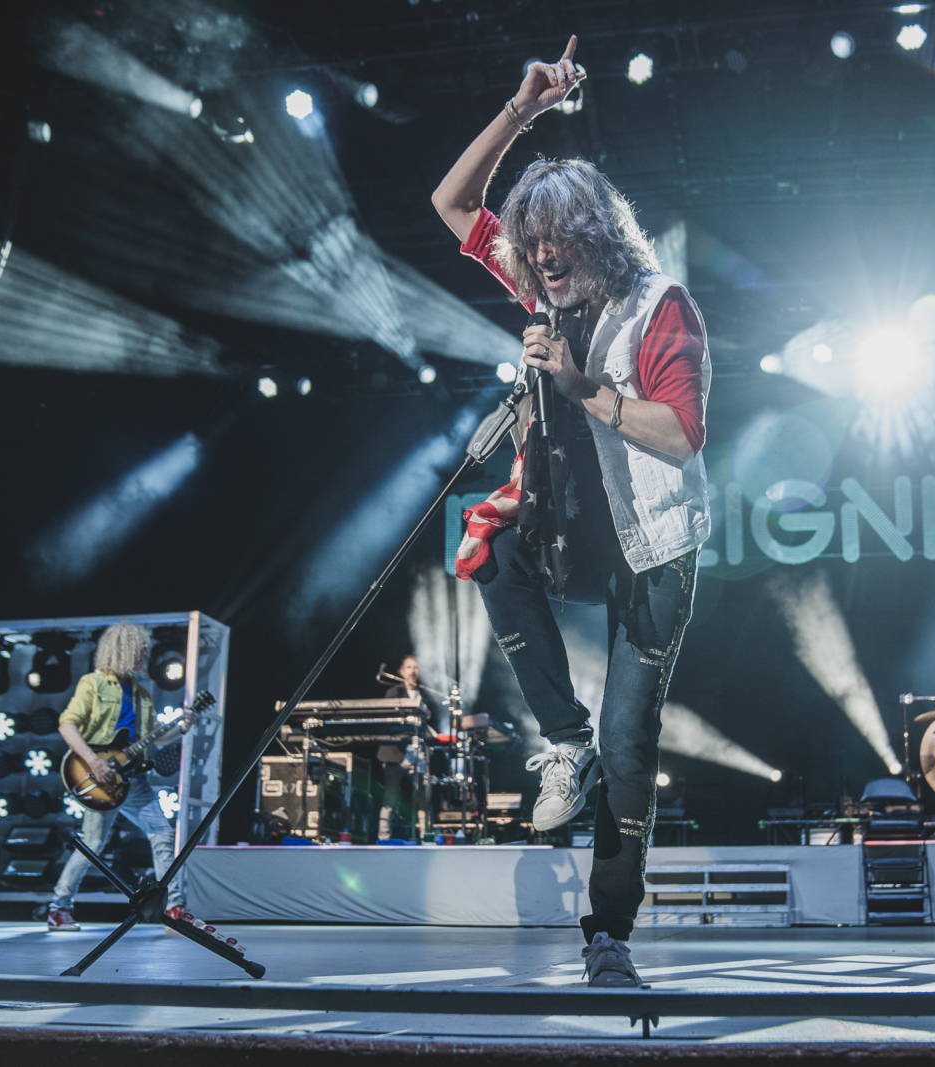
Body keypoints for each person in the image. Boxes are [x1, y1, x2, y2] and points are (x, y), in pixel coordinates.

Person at [432, 35, 708, 987]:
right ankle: (562, 741)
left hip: (652, 550)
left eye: (556, 248)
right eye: (532, 249)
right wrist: (522, 109)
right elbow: (452, 204)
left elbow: (679, 434)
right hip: (564, 533)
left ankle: (610, 933)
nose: (540, 262)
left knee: (634, 740)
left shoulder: (660, 307)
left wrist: (585, 387)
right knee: (485, 544)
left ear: (595, 241)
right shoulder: (539, 281)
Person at [47, 623, 193, 933]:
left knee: (162, 835)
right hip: (98, 776)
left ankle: (174, 907)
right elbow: (67, 725)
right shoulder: (94, 684)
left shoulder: (141, 693)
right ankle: (59, 907)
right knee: (94, 843)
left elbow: (154, 737)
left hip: (133, 779)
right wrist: (92, 762)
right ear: (124, 649)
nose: (146, 654)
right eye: (140, 648)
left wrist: (181, 727)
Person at [376, 654, 446, 840]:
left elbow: (433, 725)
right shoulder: (393, 692)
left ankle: (426, 836)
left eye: (416, 667)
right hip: (394, 753)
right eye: (409, 667)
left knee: (424, 797)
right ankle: (383, 837)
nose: (412, 671)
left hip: (419, 753)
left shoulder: (427, 696)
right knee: (390, 797)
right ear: (401, 671)